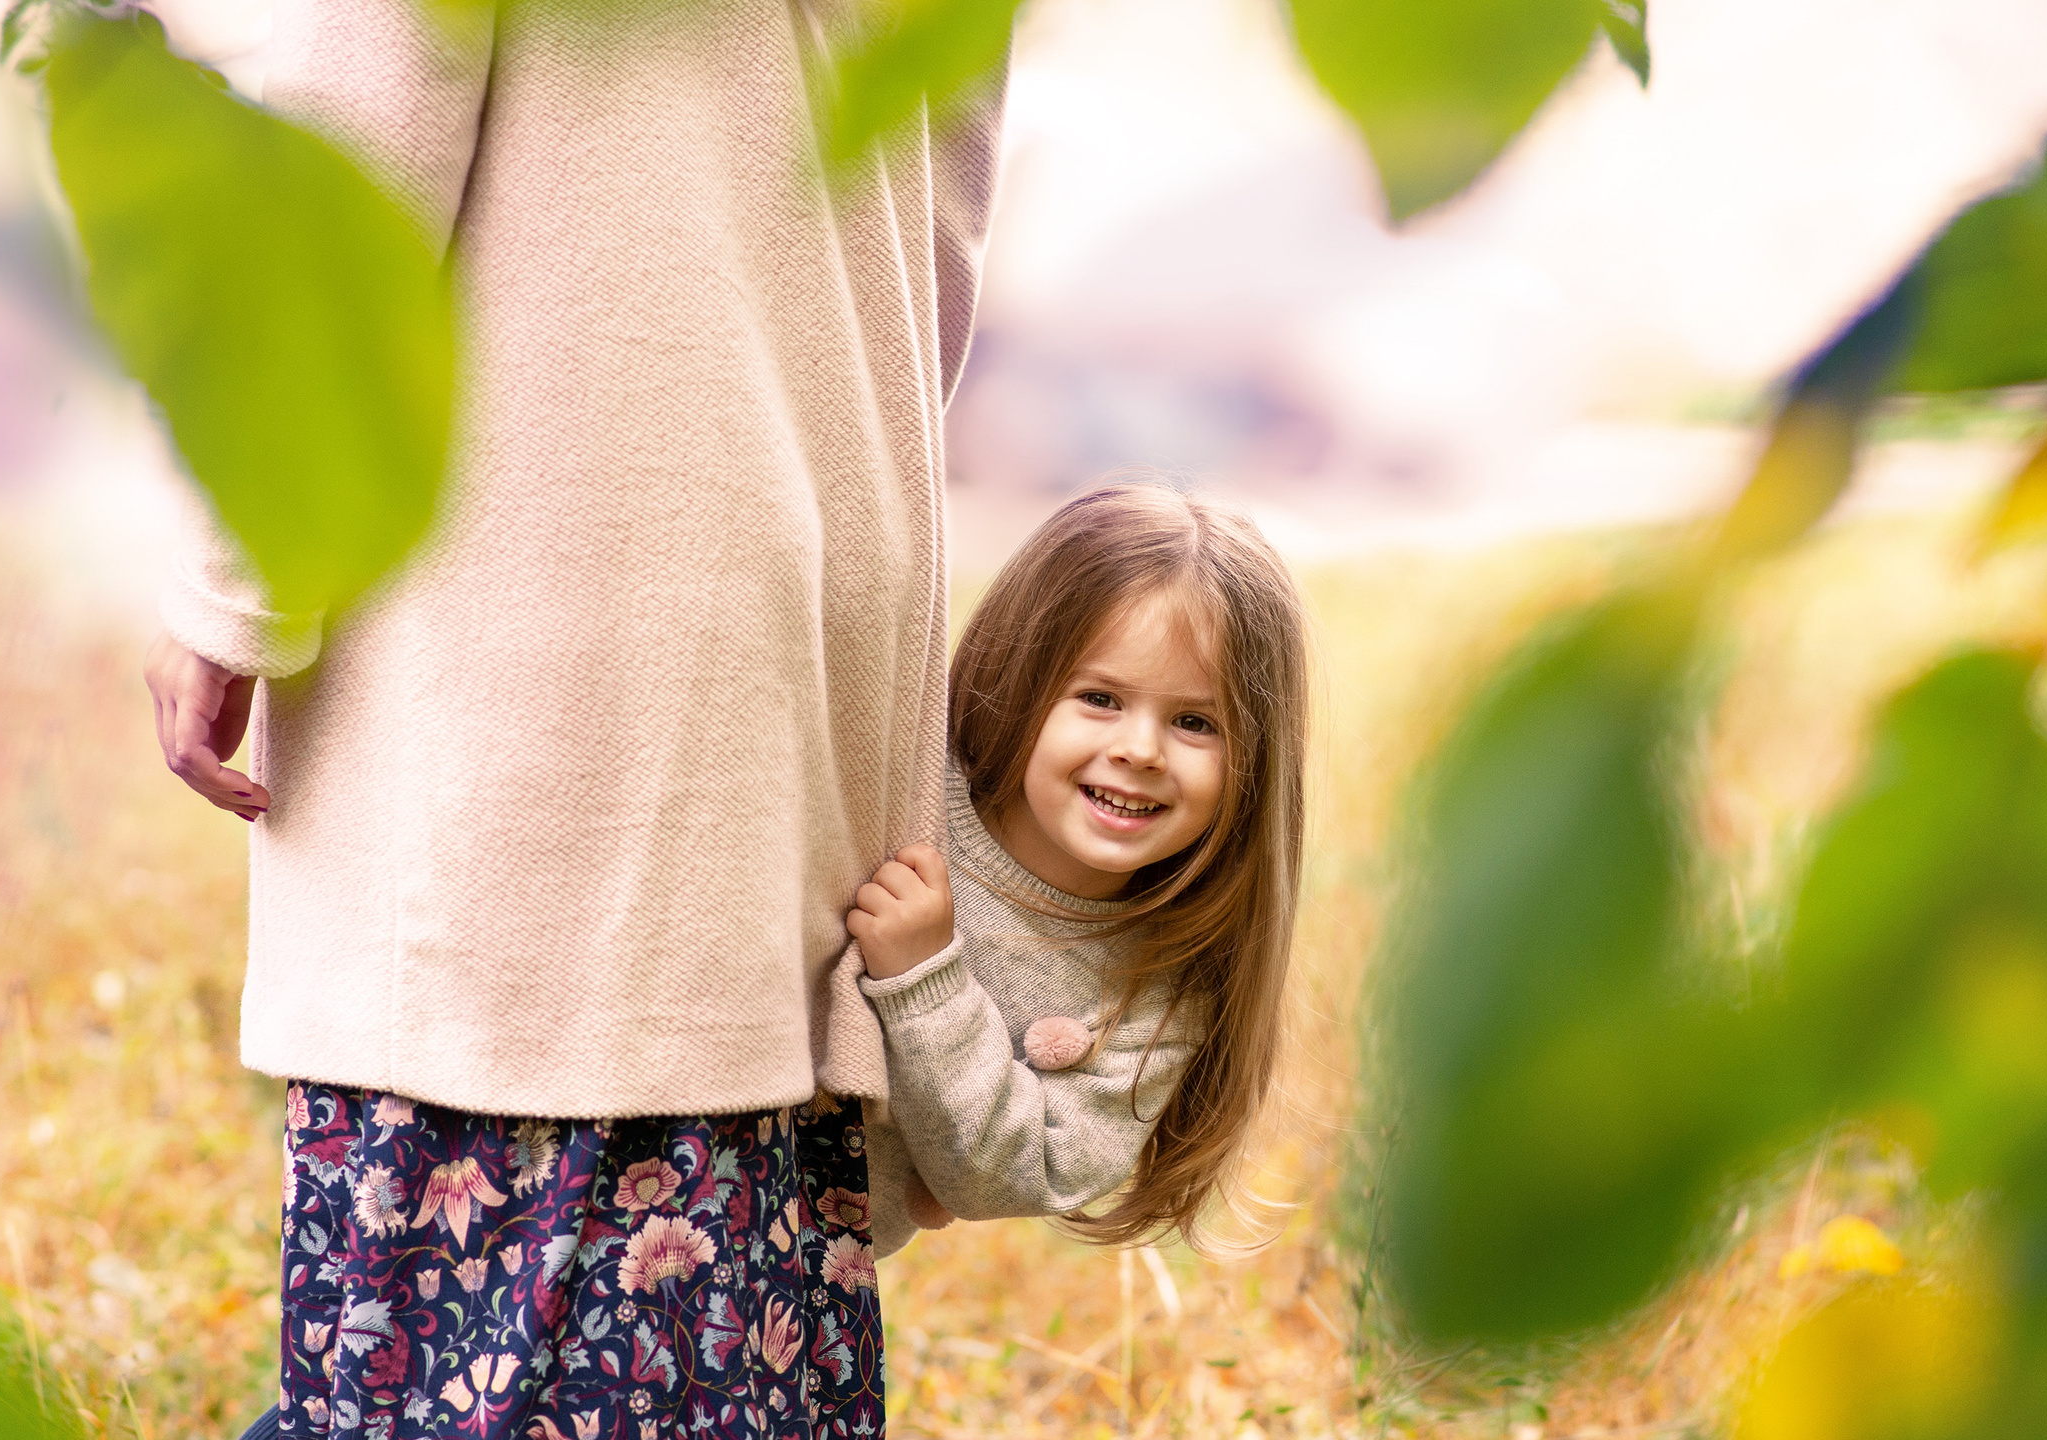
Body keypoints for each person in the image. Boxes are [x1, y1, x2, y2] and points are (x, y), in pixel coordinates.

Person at [139, 0, 1000, 1431]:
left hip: (552, 576)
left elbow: (356, 146)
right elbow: (946, 190)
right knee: (731, 1285)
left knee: (461, 1309)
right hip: (812, 535)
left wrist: (238, 573)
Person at [842, 483, 1307, 1260]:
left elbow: (1016, 1176)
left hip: (804, 1277)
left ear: (1255, 763)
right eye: (1100, 697)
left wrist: (924, 980)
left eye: (1195, 722)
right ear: (1021, 679)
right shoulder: (903, 795)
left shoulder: (1159, 990)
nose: (1141, 749)